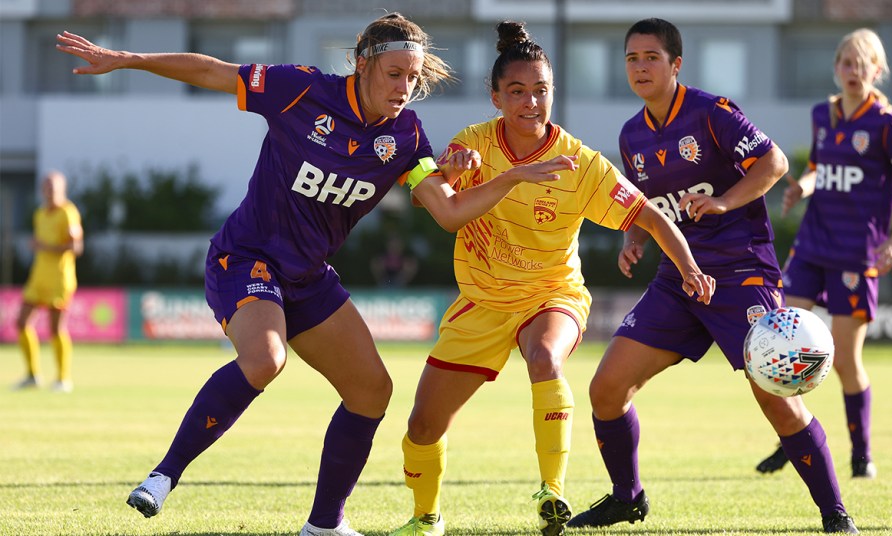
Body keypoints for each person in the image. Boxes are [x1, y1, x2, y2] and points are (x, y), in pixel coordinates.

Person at [56, 14, 576, 536]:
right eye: (395, 74)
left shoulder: (406, 136)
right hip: (246, 258)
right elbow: (214, 71)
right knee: (266, 360)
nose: (405, 88)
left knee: (372, 391)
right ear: (363, 63)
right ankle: (164, 475)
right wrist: (131, 60)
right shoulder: (299, 89)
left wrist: (504, 178)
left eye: (413, 78)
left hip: (307, 277)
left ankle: (325, 525)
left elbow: (447, 212)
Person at [389, 21, 713, 536]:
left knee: (544, 356)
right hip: (482, 301)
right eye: (517, 92)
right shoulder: (473, 142)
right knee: (422, 427)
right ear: (496, 97)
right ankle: (426, 518)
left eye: (541, 90)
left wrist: (689, 266)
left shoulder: (579, 164)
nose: (531, 102)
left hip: (552, 294)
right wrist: (450, 170)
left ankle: (552, 494)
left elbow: (650, 216)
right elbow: (427, 197)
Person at [568, 18, 860, 534]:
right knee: (606, 388)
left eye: (651, 57)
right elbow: (646, 208)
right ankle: (627, 497)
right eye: (632, 58)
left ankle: (835, 513)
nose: (640, 67)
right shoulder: (631, 135)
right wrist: (633, 239)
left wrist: (724, 201)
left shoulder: (713, 112)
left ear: (675, 64)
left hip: (740, 271)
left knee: (776, 397)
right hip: (677, 279)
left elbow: (773, 164)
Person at [754, 28, 892, 479]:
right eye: (847, 63)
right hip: (812, 246)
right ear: (836, 68)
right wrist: (803, 187)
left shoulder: (886, 126)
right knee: (783, 340)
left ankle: (860, 452)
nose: (854, 71)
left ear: (878, 70)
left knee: (846, 361)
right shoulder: (823, 115)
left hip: (856, 254)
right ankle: (792, 439)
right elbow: (819, 167)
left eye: (863, 63)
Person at [14, 170, 84, 393]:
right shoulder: (40, 214)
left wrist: (46, 247)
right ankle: (32, 375)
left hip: (59, 279)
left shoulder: (68, 213)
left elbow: (76, 247)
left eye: (53, 188)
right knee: (21, 322)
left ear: (62, 189)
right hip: (38, 277)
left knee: (55, 329)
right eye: (46, 187)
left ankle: (63, 379)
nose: (49, 192)